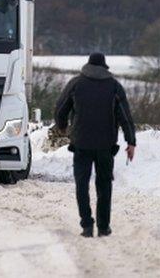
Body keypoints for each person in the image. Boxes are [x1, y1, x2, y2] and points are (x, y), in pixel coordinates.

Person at [55, 52, 136, 238]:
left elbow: (60, 109)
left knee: (81, 184)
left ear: (88, 65)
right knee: (104, 185)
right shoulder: (114, 86)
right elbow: (125, 117)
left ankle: (87, 225)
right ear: (104, 66)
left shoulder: (76, 83)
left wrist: (62, 127)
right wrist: (131, 142)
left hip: (81, 143)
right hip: (106, 145)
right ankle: (104, 226)